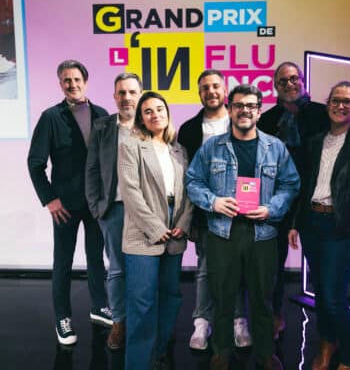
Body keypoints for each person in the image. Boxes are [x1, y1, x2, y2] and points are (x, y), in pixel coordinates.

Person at [186, 84, 300, 370]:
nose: (245, 110)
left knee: (262, 299)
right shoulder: (212, 147)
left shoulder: (275, 147)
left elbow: (290, 184)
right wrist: (213, 202)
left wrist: (271, 208)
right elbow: (193, 181)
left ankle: (265, 354)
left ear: (259, 112)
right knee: (222, 298)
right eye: (239, 105)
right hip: (222, 233)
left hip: (263, 233)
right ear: (230, 109)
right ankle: (222, 352)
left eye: (251, 106)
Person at [288, 81, 350, 370]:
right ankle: (328, 343)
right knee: (321, 294)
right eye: (335, 100)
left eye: (347, 101)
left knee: (332, 299)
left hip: (341, 229)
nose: (340, 106)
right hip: (312, 224)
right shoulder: (315, 141)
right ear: (327, 104)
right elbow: (305, 186)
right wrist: (295, 223)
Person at [27, 60, 111, 345]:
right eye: (67, 80)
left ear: (85, 81)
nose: (72, 84)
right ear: (60, 84)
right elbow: (35, 163)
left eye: (77, 79)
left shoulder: (102, 115)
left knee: (96, 257)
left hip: (96, 203)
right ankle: (62, 318)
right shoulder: (50, 117)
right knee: (62, 262)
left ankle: (99, 306)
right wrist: (50, 199)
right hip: (64, 206)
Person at [118, 91, 193, 369]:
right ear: (141, 118)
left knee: (171, 297)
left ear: (167, 113)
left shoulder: (179, 149)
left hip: (175, 226)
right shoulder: (131, 145)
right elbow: (130, 191)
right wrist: (154, 226)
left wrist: (183, 223)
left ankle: (157, 355)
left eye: (159, 109)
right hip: (143, 229)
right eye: (148, 111)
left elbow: (189, 191)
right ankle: (138, 364)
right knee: (142, 302)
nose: (155, 114)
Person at [178, 69, 251, 350]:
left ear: (225, 90)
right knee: (206, 268)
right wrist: (190, 219)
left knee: (239, 269)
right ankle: (202, 322)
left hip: (240, 211)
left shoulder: (241, 122)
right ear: (199, 93)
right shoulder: (188, 129)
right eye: (205, 87)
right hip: (205, 213)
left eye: (215, 86)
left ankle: (239, 321)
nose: (211, 91)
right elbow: (186, 178)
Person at [257, 61, 329, 338]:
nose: (289, 84)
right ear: (275, 86)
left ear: (302, 80)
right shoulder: (267, 120)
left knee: (321, 269)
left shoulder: (323, 114)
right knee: (273, 266)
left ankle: (329, 328)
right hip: (279, 202)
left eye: (294, 78)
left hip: (315, 201)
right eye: (283, 81)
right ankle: (274, 316)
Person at [85, 73, 143, 350]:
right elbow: (92, 169)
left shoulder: (152, 122)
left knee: (144, 270)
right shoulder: (102, 126)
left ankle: (143, 321)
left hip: (146, 212)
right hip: (114, 210)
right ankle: (119, 321)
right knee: (117, 270)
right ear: (114, 96)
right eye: (122, 92)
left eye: (132, 92)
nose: (127, 98)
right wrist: (97, 207)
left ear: (140, 94)